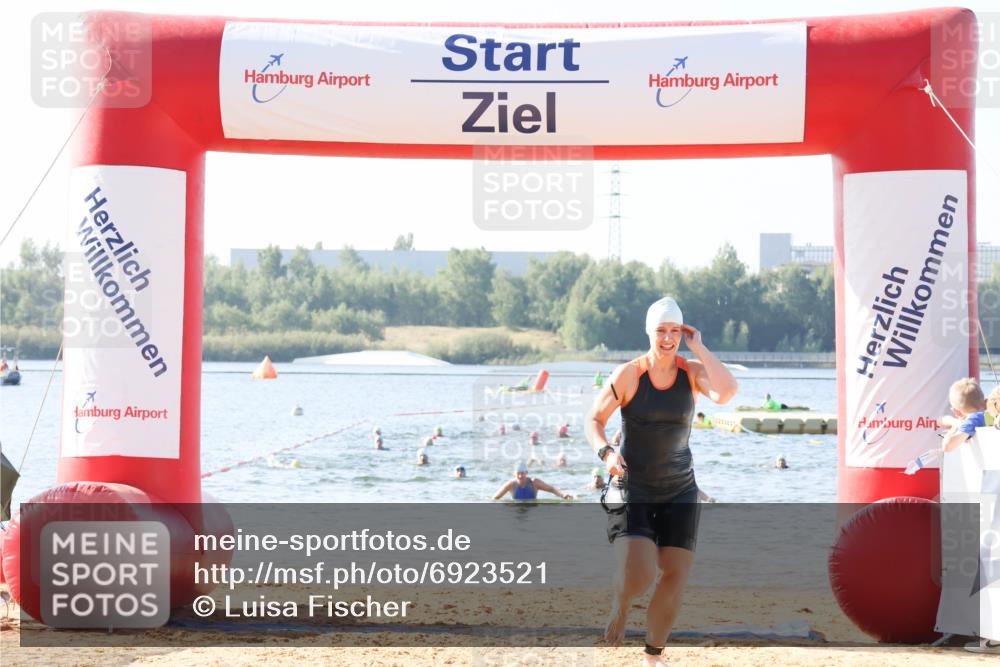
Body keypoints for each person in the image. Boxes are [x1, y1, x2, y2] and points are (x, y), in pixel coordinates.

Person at [585, 296, 737, 664]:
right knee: (639, 576)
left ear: (682, 333)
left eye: (674, 331)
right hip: (634, 487)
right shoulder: (629, 375)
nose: (668, 338)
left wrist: (699, 348)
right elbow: (594, 420)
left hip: (680, 488)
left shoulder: (692, 372)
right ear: (649, 332)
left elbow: (727, 392)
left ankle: (653, 656)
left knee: (675, 573)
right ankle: (621, 604)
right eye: (660, 331)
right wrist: (607, 453)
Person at [941, 377, 990, 452]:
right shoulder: (989, 414)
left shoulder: (974, 419)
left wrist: (955, 425)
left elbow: (947, 447)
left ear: (957, 412)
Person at [493, 462, 573, 501]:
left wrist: (563, 495)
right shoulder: (510, 484)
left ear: (526, 473)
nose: (520, 476)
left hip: (532, 510)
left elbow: (551, 489)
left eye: (522, 473)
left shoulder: (534, 482)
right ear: (514, 474)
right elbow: (495, 498)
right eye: (518, 473)